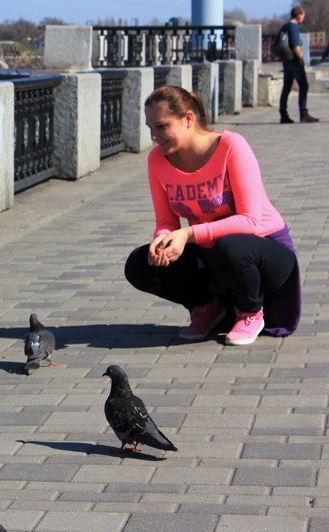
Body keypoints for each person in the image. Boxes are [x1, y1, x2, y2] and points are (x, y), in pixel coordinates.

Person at [124, 86, 300, 346]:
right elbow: (166, 223)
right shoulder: (157, 160)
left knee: (229, 245)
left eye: (161, 127)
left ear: (188, 119)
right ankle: (206, 306)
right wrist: (163, 241)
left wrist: (188, 233)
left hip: (265, 252)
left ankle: (251, 312)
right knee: (140, 265)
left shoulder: (231, 146)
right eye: (150, 127)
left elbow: (250, 220)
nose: (154, 136)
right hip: (214, 254)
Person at [278, 5, 319, 123]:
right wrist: (301, 58)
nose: (303, 18)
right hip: (294, 61)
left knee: (286, 87)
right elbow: (295, 45)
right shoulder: (293, 26)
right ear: (299, 15)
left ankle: (283, 115)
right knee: (304, 85)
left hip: (286, 61)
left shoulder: (285, 26)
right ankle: (304, 114)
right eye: (303, 16)